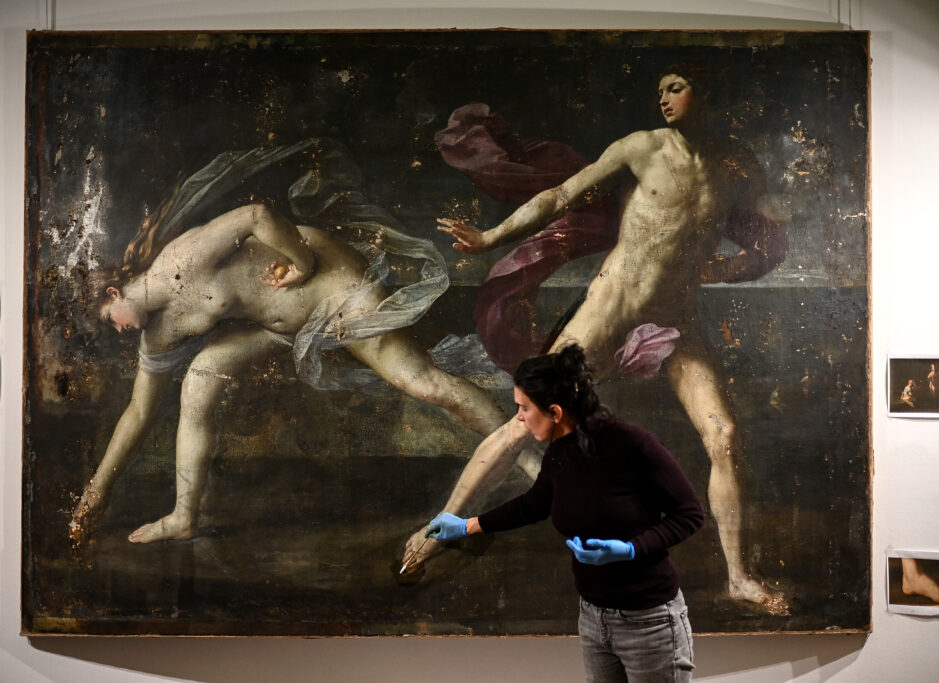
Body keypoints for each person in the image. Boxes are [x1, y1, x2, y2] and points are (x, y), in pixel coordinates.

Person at [404, 66, 788, 611]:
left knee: (723, 434)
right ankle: (437, 530)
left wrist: (729, 268)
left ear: (707, 92)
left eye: (676, 87)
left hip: (676, 317)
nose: (664, 99)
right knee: (524, 424)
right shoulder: (641, 147)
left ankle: (740, 578)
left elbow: (772, 242)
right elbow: (560, 195)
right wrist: (490, 238)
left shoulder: (738, 165)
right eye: (659, 90)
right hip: (612, 308)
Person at [69, 200, 510, 546]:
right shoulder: (157, 334)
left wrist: (302, 263)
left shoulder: (179, 262)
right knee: (199, 380)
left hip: (333, 286)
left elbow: (257, 214)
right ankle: (184, 517)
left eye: (112, 320)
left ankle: (521, 448)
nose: (120, 332)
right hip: (278, 325)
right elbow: (139, 410)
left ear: (116, 292)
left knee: (425, 384)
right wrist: (97, 490)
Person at [425, 345, 705, 682]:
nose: (519, 417)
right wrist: (466, 525)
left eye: (524, 407)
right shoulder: (560, 453)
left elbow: (689, 515)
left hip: (650, 622)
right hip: (593, 619)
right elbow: (534, 504)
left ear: (555, 412)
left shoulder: (634, 445)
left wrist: (631, 549)